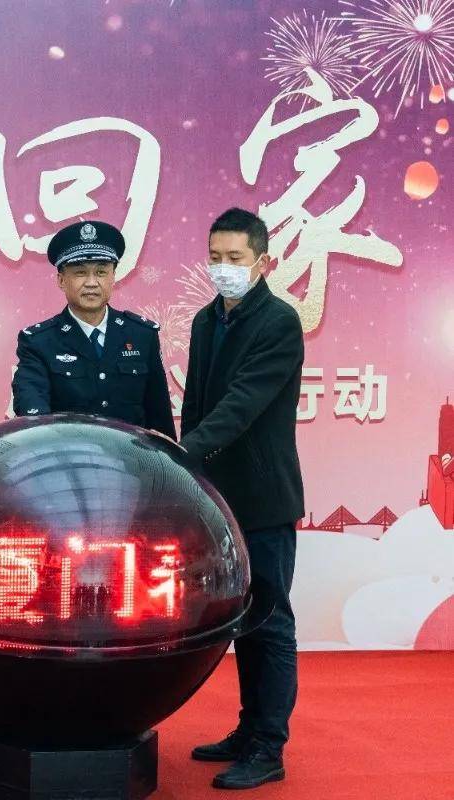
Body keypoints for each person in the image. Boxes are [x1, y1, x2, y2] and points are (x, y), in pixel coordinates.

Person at [180, 208, 304, 790]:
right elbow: (197, 404)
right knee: (238, 621)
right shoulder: (206, 320)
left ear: (263, 262)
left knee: (270, 622)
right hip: (216, 499)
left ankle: (268, 746)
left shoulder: (279, 322)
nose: (223, 268)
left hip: (263, 498)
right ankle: (247, 729)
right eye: (215, 257)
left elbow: (242, 404)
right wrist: (187, 465)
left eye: (235, 258)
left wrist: (185, 450)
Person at [12, 220, 176, 439]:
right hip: (66, 456)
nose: (91, 282)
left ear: (113, 277)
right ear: (61, 280)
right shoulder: (38, 342)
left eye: (101, 272)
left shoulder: (141, 335)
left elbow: (160, 422)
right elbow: (33, 416)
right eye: (80, 273)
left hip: (130, 459)